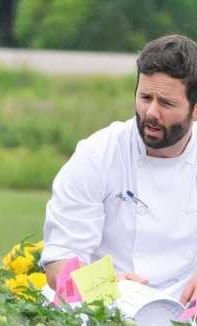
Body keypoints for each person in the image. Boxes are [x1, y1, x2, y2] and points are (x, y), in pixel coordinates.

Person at [41, 34, 197, 304]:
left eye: (167, 103)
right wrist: (105, 288)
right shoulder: (97, 155)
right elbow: (58, 266)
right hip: (101, 307)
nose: (151, 112)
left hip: (185, 311)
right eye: (145, 97)